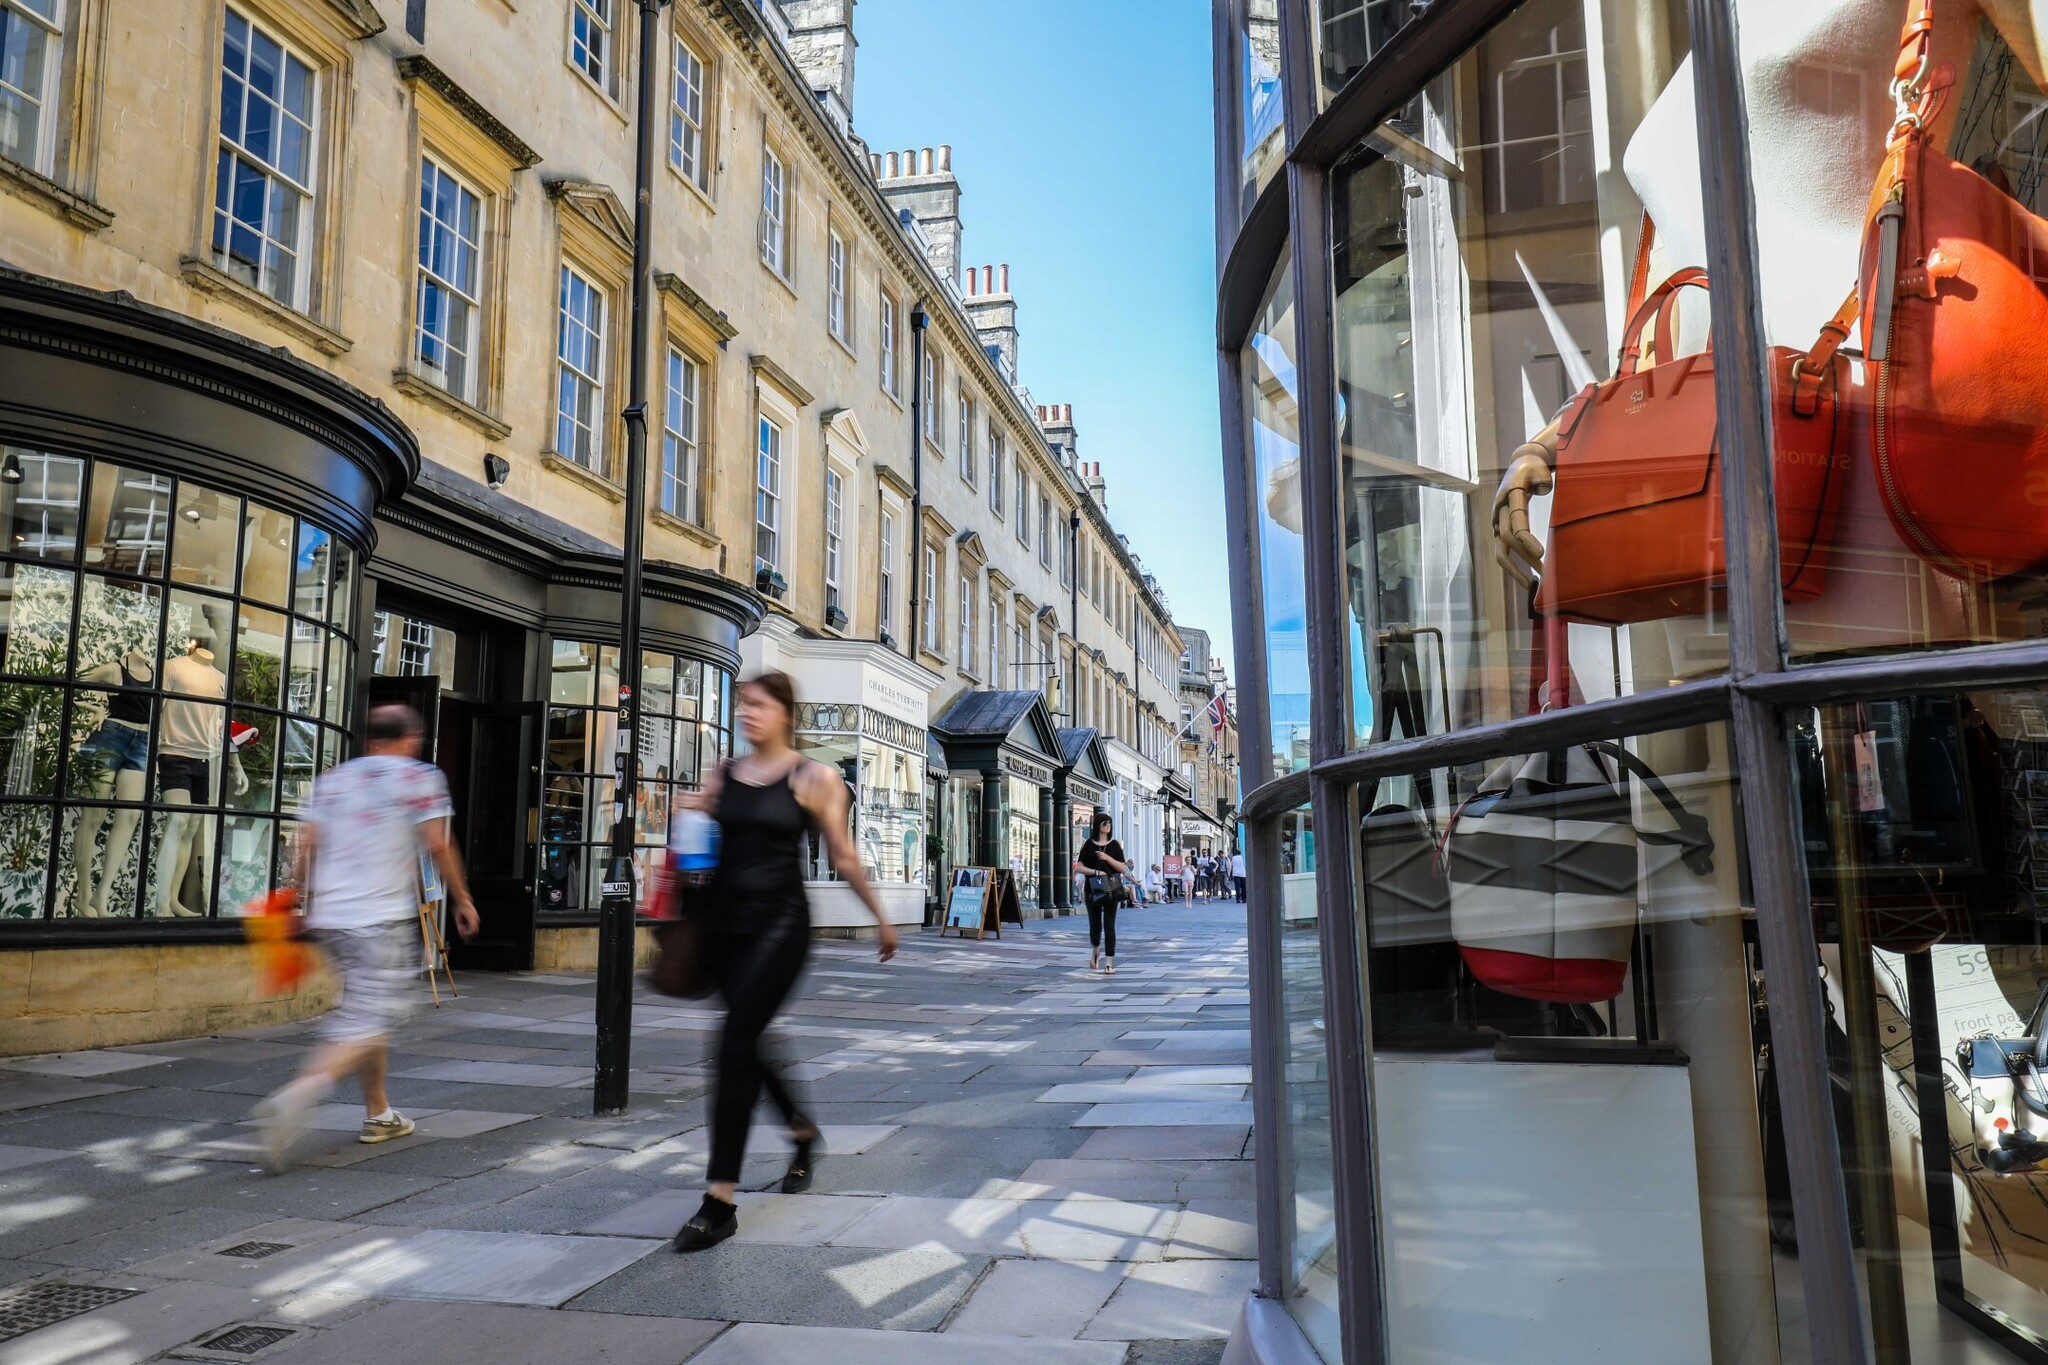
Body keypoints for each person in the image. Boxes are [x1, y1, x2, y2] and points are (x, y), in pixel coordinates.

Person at [672, 671, 898, 1253]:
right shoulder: (722, 773)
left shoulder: (815, 777)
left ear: (786, 714)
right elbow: (695, 842)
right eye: (743, 704)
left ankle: (719, 1200)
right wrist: (687, 815)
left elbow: (844, 856)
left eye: (759, 705)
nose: (747, 714)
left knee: (732, 1041)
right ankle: (801, 1131)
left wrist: (881, 915)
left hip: (780, 926)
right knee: (749, 1039)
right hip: (724, 926)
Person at [253, 704, 478, 1173]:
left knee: (363, 1012)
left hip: (331, 918)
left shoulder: (334, 780)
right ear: (411, 738)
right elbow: (437, 844)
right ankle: (298, 1096)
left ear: (369, 738)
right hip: (379, 918)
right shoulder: (419, 777)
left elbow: (306, 843)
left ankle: (379, 1114)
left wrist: (299, 900)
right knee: (370, 1015)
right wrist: (462, 898)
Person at [1078, 812, 1131, 974]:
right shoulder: (1089, 845)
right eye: (1104, 823)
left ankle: (1109, 962)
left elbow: (1122, 868)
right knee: (1095, 925)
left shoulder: (1114, 845)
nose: (1107, 826)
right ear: (1098, 825)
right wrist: (1096, 871)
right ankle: (1096, 950)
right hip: (1092, 889)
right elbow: (1079, 867)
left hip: (1111, 888)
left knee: (1109, 926)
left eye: (1109, 823)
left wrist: (1107, 858)